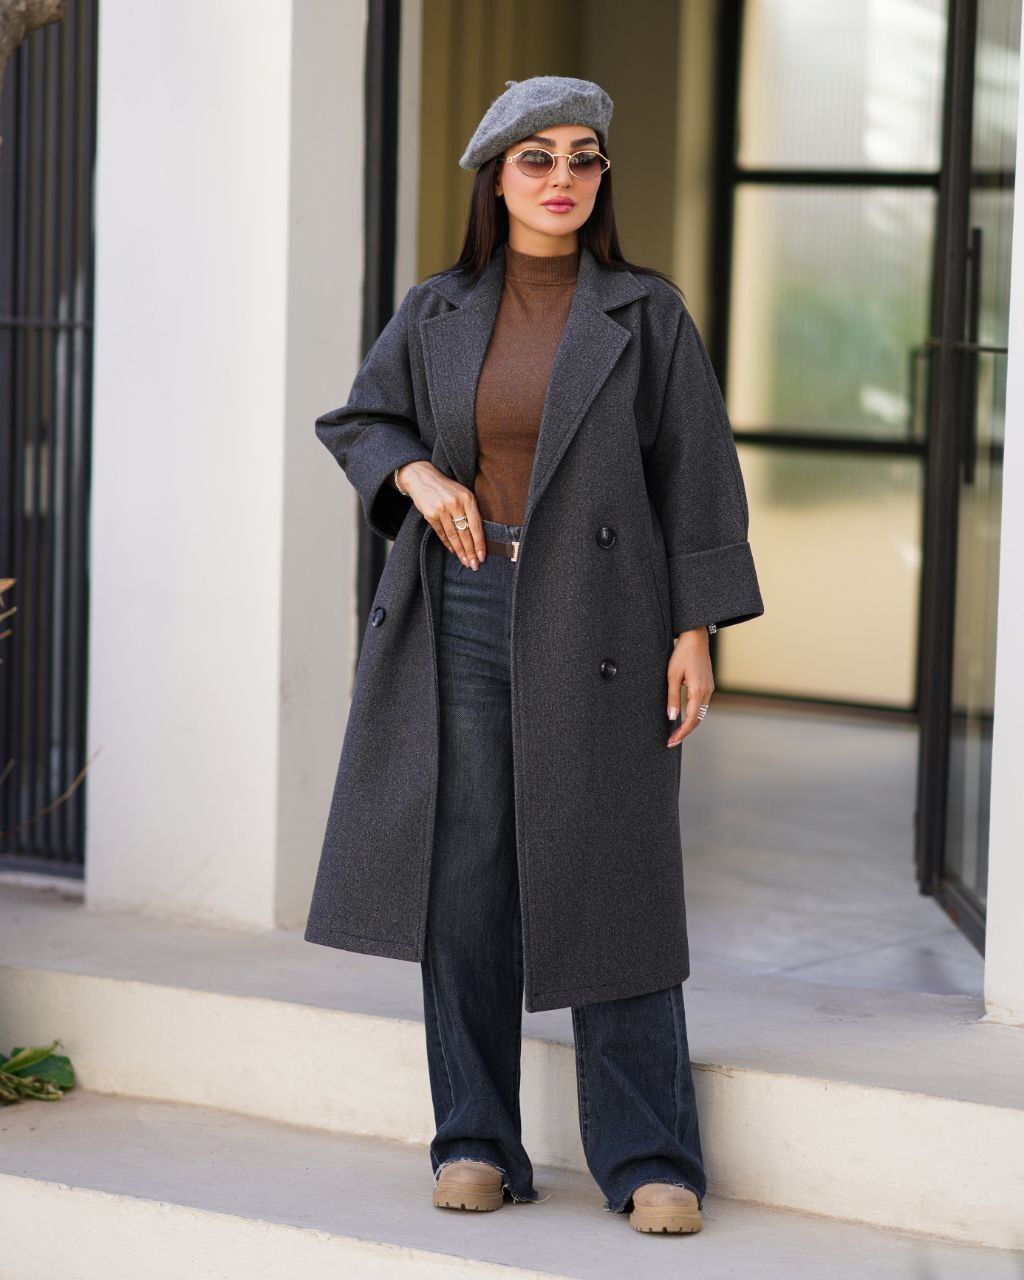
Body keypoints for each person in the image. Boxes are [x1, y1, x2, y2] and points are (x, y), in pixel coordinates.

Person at [305, 75, 765, 1236]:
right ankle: (472, 1137)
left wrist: (694, 627)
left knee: (613, 868)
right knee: (464, 875)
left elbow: (696, 476)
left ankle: (649, 1155)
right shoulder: (439, 307)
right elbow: (361, 420)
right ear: (496, 178)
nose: (562, 177)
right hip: (462, 605)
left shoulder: (646, 313)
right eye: (536, 158)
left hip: (605, 620)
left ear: (602, 177)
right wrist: (418, 474)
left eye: (582, 157)